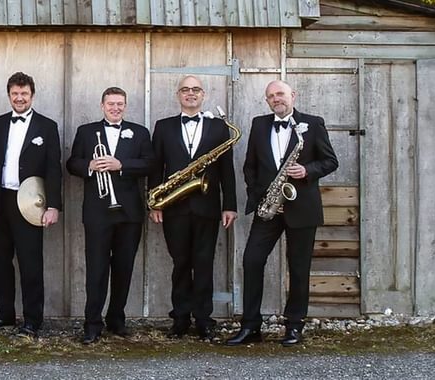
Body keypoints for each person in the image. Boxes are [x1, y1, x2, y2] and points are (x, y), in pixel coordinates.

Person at [225, 80, 338, 347]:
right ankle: (251, 325)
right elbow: (249, 165)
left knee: (298, 268)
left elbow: (330, 161)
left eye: (281, 94)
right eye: (271, 96)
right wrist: (259, 193)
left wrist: (307, 171)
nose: (276, 99)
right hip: (269, 208)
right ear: (267, 101)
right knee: (252, 261)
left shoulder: (313, 123)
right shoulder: (259, 124)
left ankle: (294, 325)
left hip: (302, 207)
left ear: (292, 96)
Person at [148, 76, 237, 341]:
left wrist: (229, 205)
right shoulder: (163, 126)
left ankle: (204, 319)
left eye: (195, 89)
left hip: (207, 206)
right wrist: (155, 201)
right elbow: (156, 167)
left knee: (204, 263)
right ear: (178, 95)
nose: (190, 93)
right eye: (185, 90)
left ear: (204, 95)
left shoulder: (219, 128)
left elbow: (227, 170)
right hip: (173, 206)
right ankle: (180, 318)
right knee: (180, 264)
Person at [0, 72, 63, 339]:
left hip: (31, 204)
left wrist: (54, 206)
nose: (20, 98)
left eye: (24, 93)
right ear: (9, 95)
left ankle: (32, 320)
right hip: (1, 200)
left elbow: (53, 170)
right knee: (0, 261)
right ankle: (5, 314)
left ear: (32, 95)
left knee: (30, 263)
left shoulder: (47, 127)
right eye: (15, 93)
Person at [66, 87, 154, 344]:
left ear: (125, 106)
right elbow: (72, 163)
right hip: (97, 212)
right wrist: (89, 166)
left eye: (120, 104)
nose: (115, 108)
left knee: (124, 269)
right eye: (111, 104)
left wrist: (122, 165)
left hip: (129, 213)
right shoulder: (86, 131)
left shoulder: (139, 132)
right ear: (102, 105)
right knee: (96, 269)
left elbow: (150, 163)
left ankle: (117, 320)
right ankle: (92, 323)